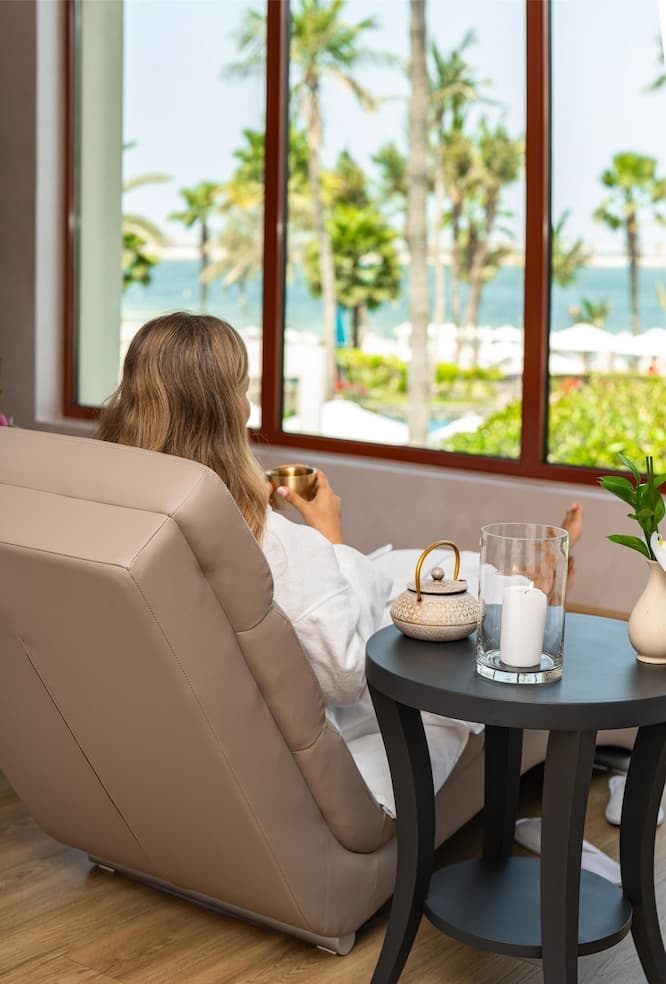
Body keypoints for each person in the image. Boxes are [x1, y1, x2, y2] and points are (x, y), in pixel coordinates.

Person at [98, 312, 583, 815]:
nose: (248, 405)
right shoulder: (279, 547)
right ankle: (533, 591)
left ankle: (526, 583)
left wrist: (275, 517)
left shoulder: (117, 516)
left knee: (409, 565)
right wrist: (328, 536)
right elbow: (348, 675)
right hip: (324, 714)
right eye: (242, 390)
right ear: (228, 411)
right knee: (437, 597)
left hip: (181, 733)